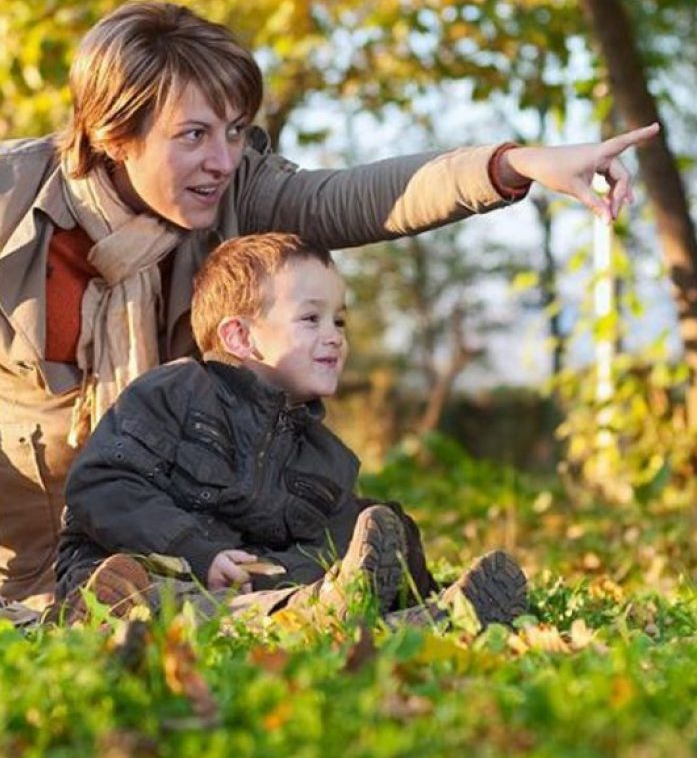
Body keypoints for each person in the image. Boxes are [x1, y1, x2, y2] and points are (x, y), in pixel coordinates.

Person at [0, 0, 657, 606]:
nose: (222, 160)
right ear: (116, 132)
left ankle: (377, 599)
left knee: (243, 591)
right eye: (193, 135)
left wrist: (510, 163)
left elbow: (360, 196)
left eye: (234, 130)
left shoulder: (237, 192)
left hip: (180, 536)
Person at [53, 233, 528, 627]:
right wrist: (195, 549)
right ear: (241, 337)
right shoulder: (176, 391)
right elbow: (102, 485)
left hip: (252, 586)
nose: (335, 335)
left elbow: (345, 548)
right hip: (133, 573)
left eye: (339, 319)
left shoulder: (325, 456)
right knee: (172, 605)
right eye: (311, 318)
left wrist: (398, 555)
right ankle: (320, 613)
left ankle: (425, 616)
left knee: (362, 528)